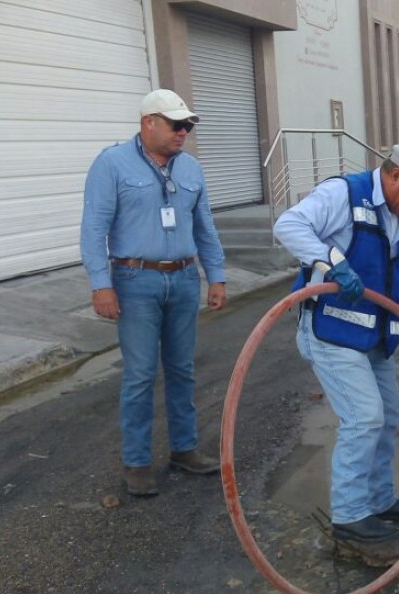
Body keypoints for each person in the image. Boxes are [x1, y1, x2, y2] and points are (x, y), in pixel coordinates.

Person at [273, 143, 399, 544]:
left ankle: (378, 501)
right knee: (364, 417)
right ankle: (350, 515)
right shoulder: (343, 194)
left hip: (374, 337)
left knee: (388, 415)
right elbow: (288, 225)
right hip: (332, 330)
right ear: (395, 176)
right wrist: (332, 262)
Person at [80, 89, 228, 497]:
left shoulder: (191, 169)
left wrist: (216, 276)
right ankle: (137, 461)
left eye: (187, 125)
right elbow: (94, 228)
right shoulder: (112, 164)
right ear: (149, 122)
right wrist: (100, 284)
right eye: (176, 125)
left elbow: (205, 228)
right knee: (141, 374)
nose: (183, 132)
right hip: (135, 281)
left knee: (182, 369)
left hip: (182, 279)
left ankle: (184, 449)